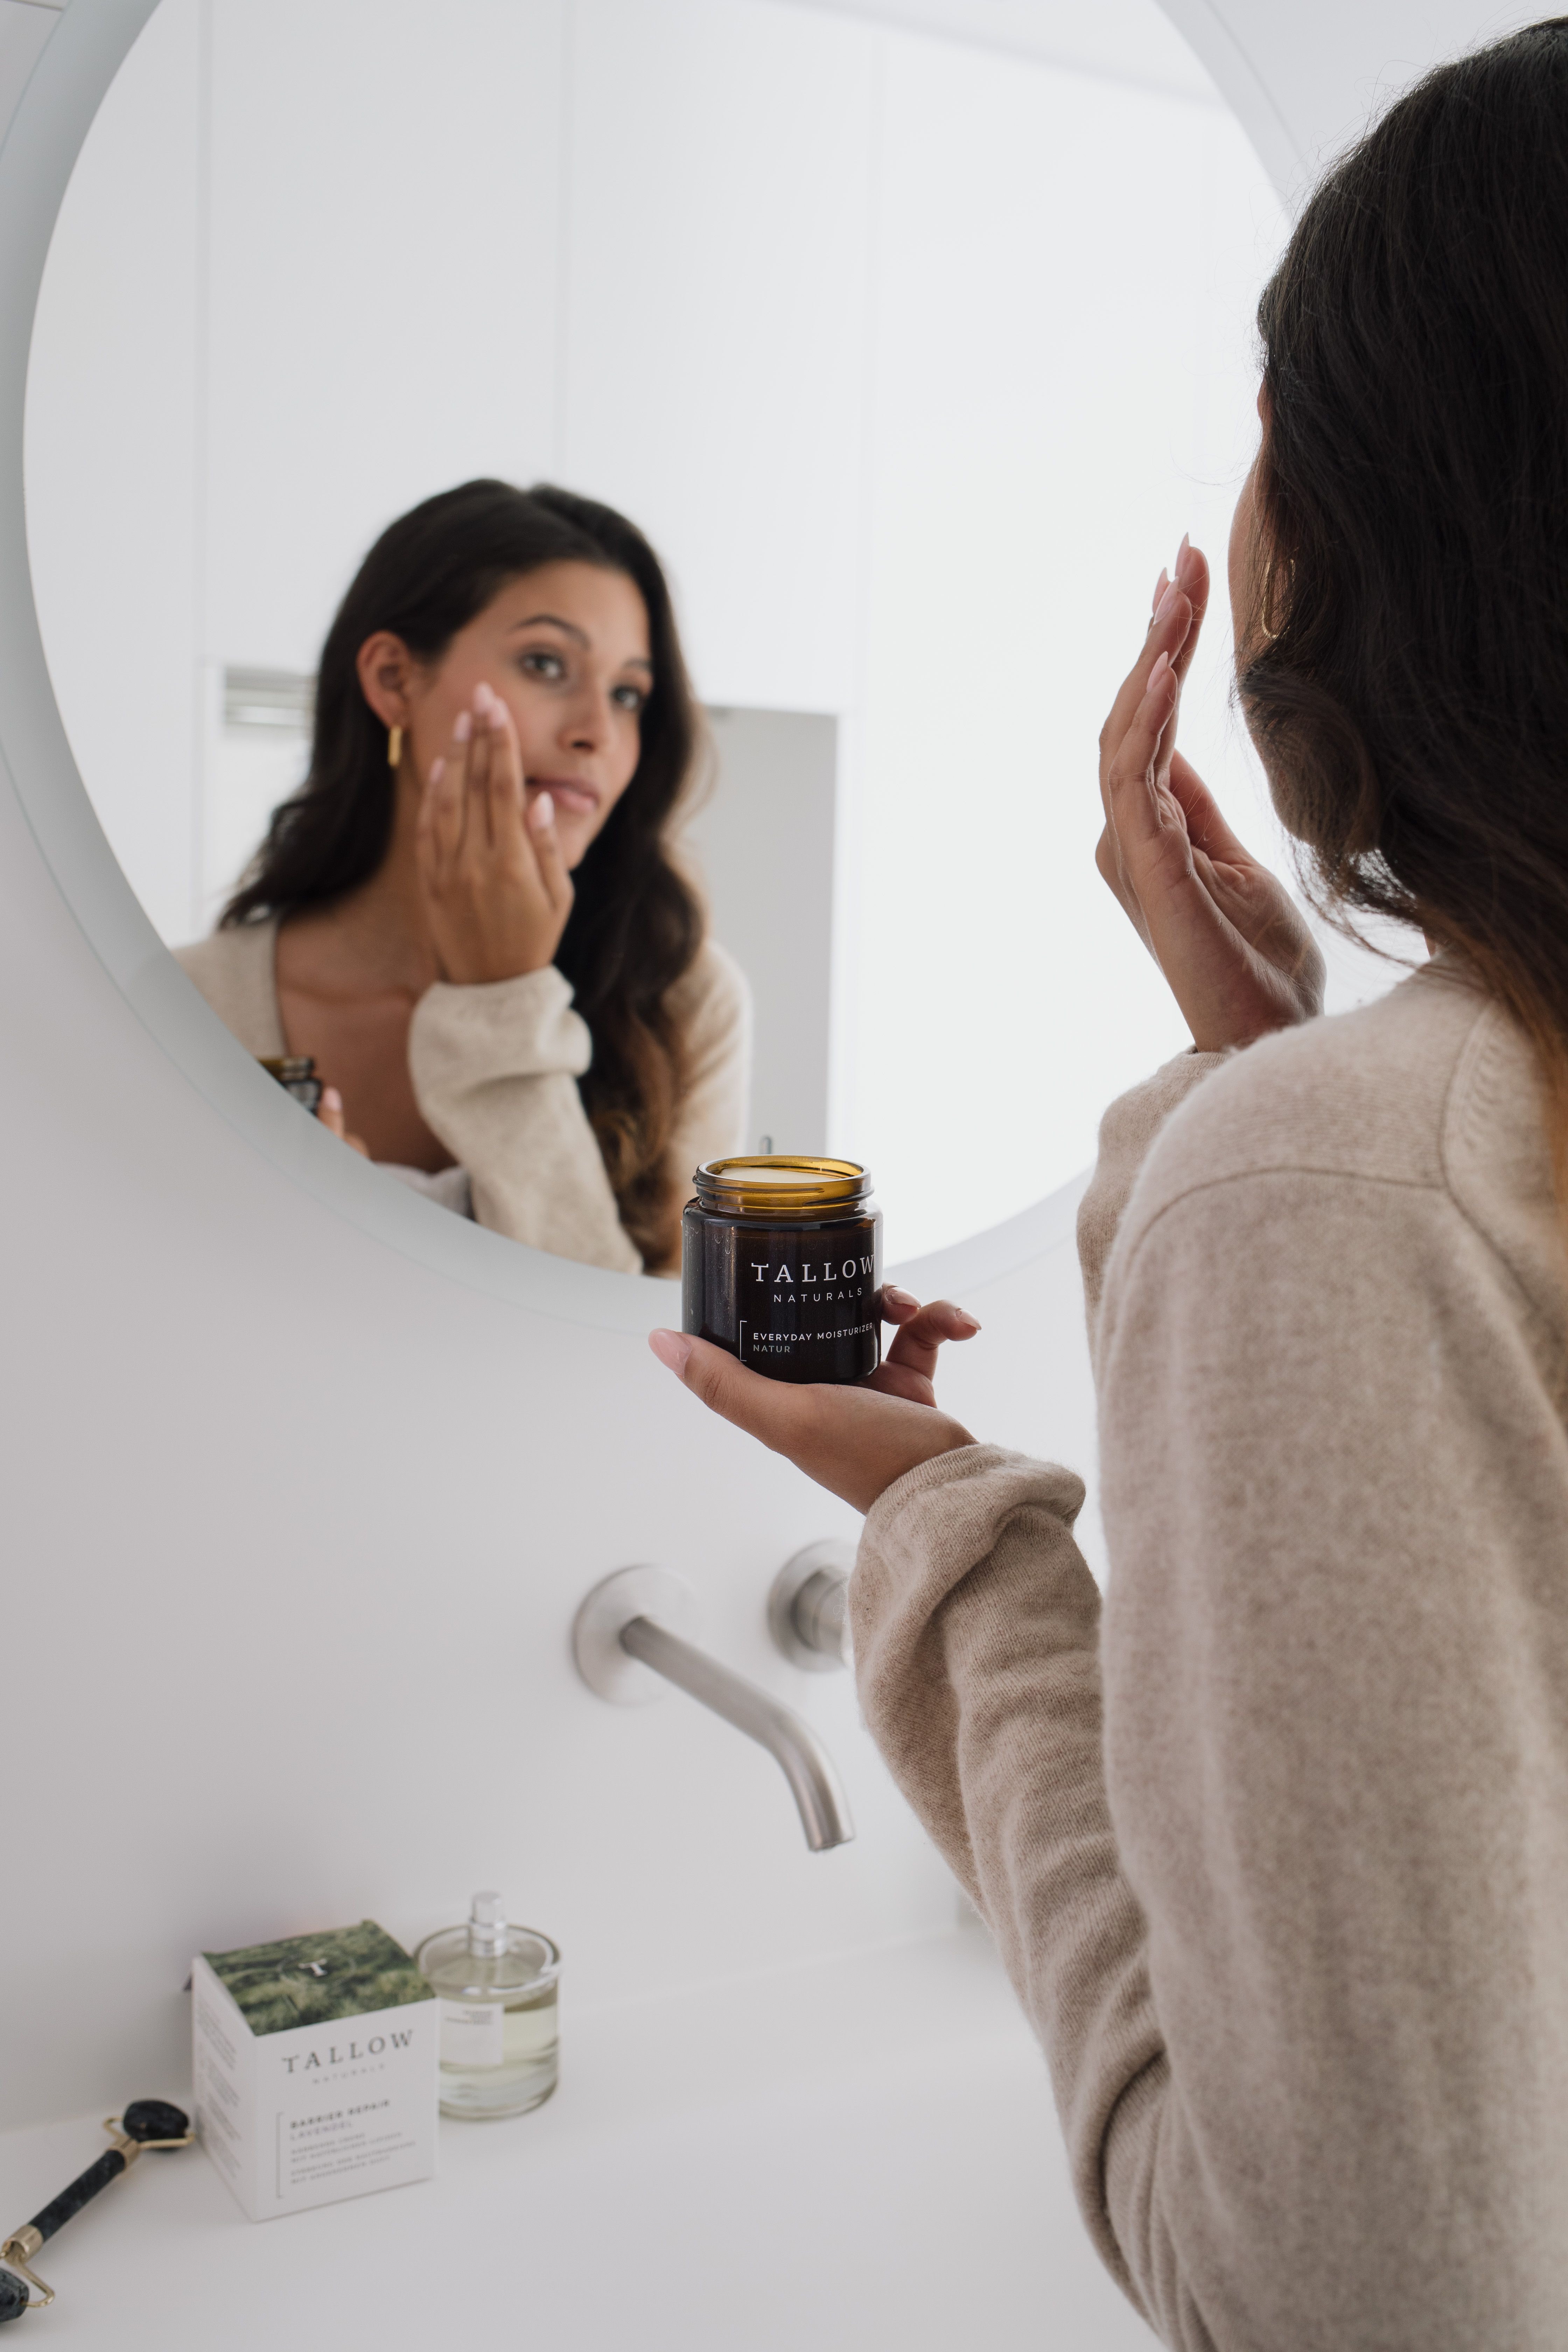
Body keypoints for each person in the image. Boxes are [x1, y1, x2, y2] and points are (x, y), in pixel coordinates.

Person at [651, 23, 1568, 2348]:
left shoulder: (1340, 1190)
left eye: (1279, 408)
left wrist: (954, 1532)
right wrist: (1288, 1077)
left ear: (1396, 513)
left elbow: (1355, 2301)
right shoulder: (1408, 1155)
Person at [177, 479, 749, 1274]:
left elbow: (643, 1376)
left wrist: (502, 1001)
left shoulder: (684, 1000)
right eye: (546, 664)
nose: (596, 733)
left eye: (627, 694)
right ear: (393, 680)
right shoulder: (196, 1003)